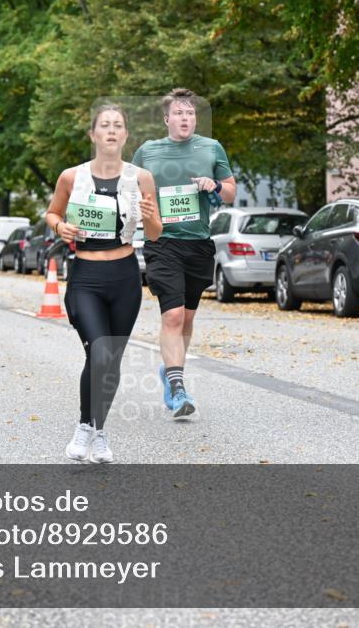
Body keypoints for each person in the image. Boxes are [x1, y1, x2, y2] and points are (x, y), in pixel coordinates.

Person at [46, 104, 161, 463]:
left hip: (124, 276)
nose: (111, 131)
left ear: (126, 135)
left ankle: (98, 432)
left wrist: (150, 217)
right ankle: (84, 427)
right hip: (86, 277)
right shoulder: (71, 176)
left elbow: (155, 234)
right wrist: (59, 226)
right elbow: (53, 212)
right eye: (105, 126)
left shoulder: (141, 178)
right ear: (93, 134)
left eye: (118, 126)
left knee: (111, 360)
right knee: (98, 351)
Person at [132, 88, 236, 418]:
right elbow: (126, 187)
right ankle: (178, 388)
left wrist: (214, 186)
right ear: (167, 119)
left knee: (187, 318)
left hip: (198, 244)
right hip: (162, 243)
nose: (185, 118)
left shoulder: (211, 148)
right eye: (179, 113)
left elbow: (231, 192)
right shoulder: (148, 152)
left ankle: (171, 371)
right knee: (173, 315)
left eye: (190, 113)